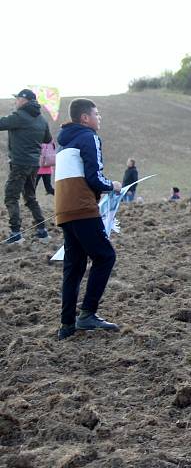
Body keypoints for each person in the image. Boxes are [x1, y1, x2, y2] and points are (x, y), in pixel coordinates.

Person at [54, 98, 122, 340]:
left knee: (73, 268)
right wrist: (112, 186)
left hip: (63, 209)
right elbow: (94, 177)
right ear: (85, 118)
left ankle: (66, 325)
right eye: (96, 113)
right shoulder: (88, 137)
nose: (99, 117)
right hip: (82, 207)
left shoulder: (63, 142)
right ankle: (88, 314)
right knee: (105, 256)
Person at [0, 89, 52, 243]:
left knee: (11, 197)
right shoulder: (42, 119)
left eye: (17, 98)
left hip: (20, 164)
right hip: (34, 164)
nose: (15, 101)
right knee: (30, 198)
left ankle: (15, 233)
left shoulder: (19, 116)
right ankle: (42, 231)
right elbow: (47, 139)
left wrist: (13, 118)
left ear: (24, 100)